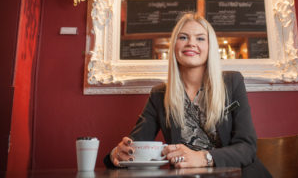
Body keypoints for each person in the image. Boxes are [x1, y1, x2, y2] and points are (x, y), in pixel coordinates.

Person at [104, 13, 272, 178]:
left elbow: (247, 147)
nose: (191, 43)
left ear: (210, 47)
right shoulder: (159, 95)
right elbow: (134, 146)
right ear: (174, 46)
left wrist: (203, 157)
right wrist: (117, 155)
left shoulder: (232, 82)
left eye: (200, 38)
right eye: (183, 37)